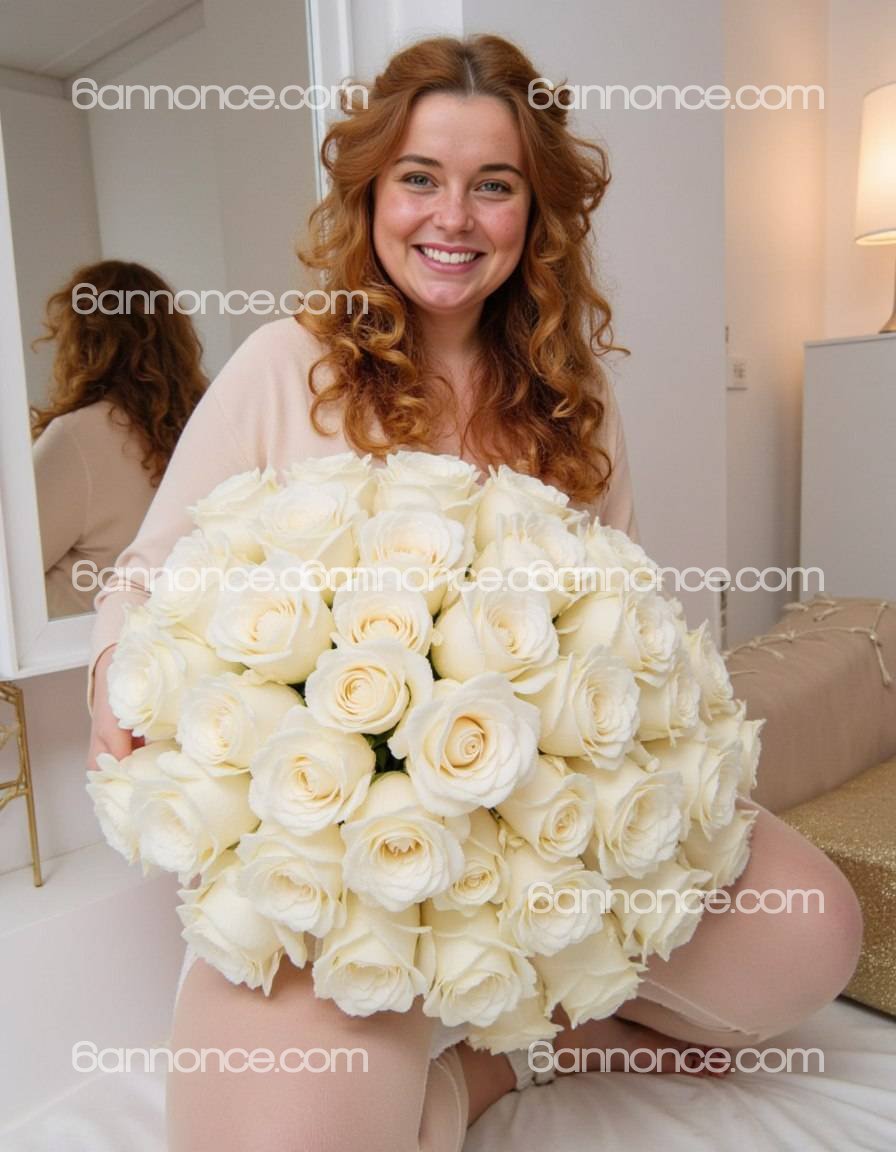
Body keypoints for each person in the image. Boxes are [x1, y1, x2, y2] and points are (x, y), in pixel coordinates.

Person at [85, 35, 863, 1152]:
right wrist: (116, 681)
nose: (452, 218)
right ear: (371, 194)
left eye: (492, 185)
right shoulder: (285, 363)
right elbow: (147, 580)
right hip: (355, 865)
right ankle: (451, 1056)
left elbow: (619, 621)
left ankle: (516, 1044)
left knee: (810, 934)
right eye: (420, 178)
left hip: (542, 843)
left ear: (534, 213)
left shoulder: (573, 397)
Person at [31, 260, 207, 617]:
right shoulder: (200, 426)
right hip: (168, 631)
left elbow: (12, 567)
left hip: (82, 639)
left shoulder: (76, 435)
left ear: (81, 341)